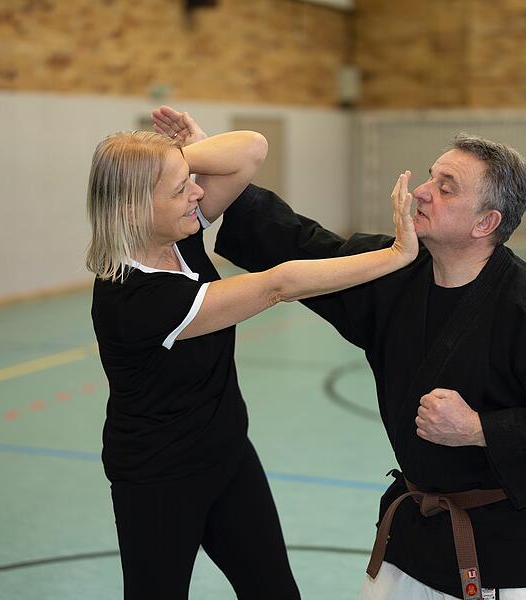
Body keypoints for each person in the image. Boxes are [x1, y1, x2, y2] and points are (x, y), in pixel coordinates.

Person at [156, 105, 526, 600]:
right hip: (414, 530)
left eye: (447, 187)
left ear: (486, 222)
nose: (422, 191)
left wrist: (479, 428)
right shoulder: (394, 274)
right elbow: (307, 247)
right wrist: (213, 169)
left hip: (509, 545)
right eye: (431, 177)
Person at [86, 113, 418, 599]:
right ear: (134, 209)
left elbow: (252, 149)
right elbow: (277, 285)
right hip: (159, 477)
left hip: (228, 456)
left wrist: (172, 160)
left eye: (189, 180)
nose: (197, 192)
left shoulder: (178, 236)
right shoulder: (134, 299)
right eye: (180, 189)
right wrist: (395, 256)